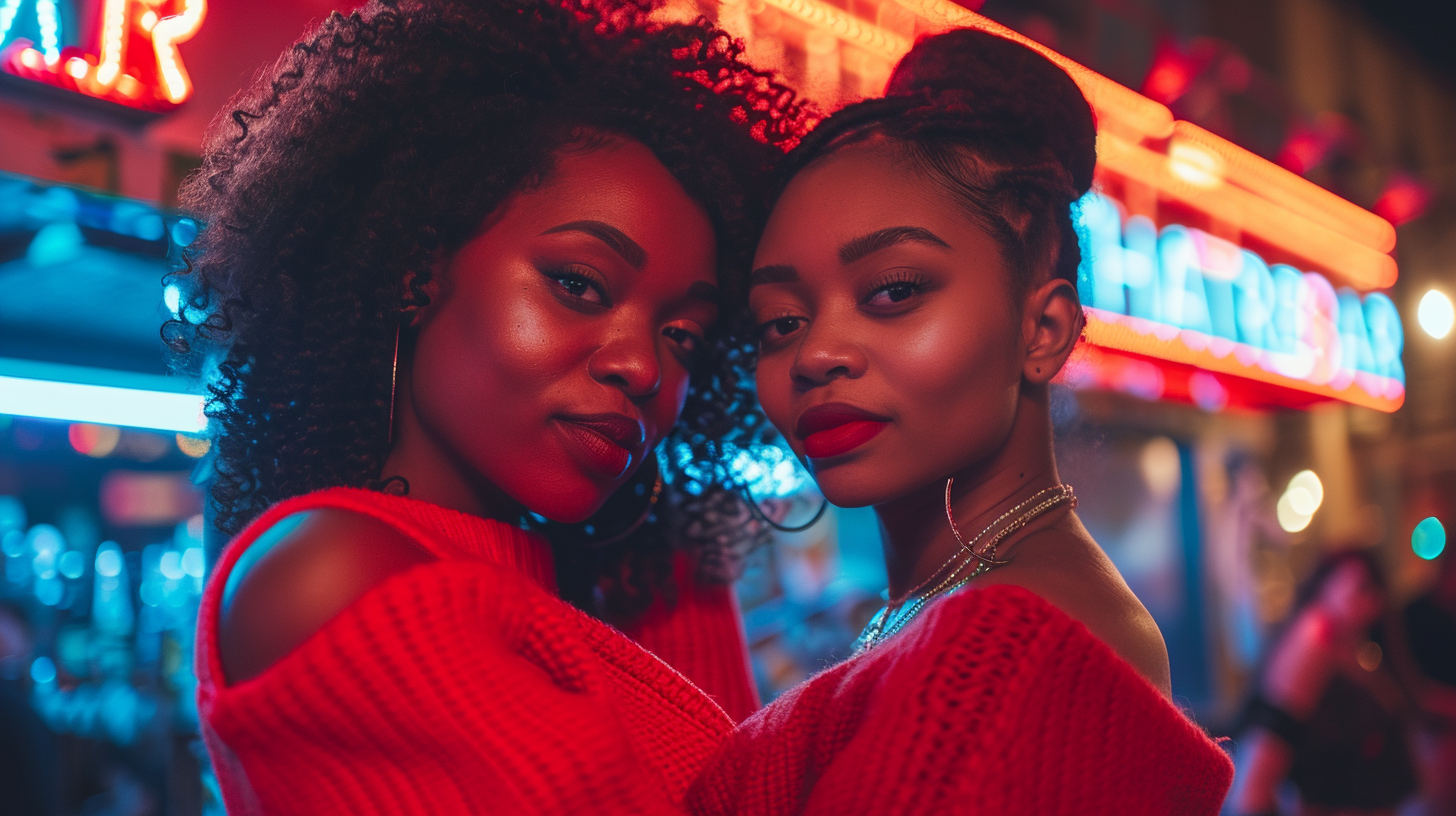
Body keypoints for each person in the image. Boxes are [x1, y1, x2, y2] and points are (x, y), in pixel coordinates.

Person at [169, 0, 810, 812]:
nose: (643, 365)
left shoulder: (580, 592)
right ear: (415, 272)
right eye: (578, 285)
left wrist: (672, 572)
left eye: (684, 334)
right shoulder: (335, 572)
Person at [685, 28, 1233, 815]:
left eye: (895, 291)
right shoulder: (954, 602)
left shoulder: (1015, 641)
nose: (817, 354)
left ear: (1041, 331)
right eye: (780, 321)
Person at [1228, 550, 1417, 816]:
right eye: (1360, 587)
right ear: (1325, 584)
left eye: (1374, 590)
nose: (1369, 600)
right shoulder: (1317, 632)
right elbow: (1262, 761)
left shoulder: (1351, 646)